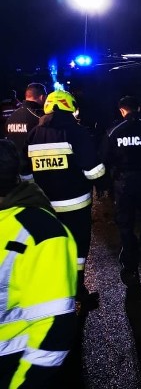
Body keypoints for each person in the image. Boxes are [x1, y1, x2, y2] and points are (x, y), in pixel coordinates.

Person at [0, 138, 78, 388]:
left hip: (12, 368)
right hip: (73, 200)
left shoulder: (40, 233)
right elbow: (92, 167)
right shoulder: (74, 132)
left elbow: (53, 327)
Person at [20, 90, 106, 306]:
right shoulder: (76, 133)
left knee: (51, 246)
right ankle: (77, 289)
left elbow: (25, 175)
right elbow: (93, 171)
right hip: (75, 204)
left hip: (46, 206)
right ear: (69, 107)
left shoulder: (33, 134)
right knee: (77, 248)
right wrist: (104, 179)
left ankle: (54, 291)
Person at [101, 95, 141, 286]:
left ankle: (130, 266)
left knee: (126, 224)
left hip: (123, 183)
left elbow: (104, 158)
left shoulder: (113, 132)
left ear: (122, 110)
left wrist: (106, 185)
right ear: (139, 107)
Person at [4, 83, 47, 163]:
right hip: (31, 166)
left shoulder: (11, 117)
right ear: (42, 97)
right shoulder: (40, 118)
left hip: (13, 165)